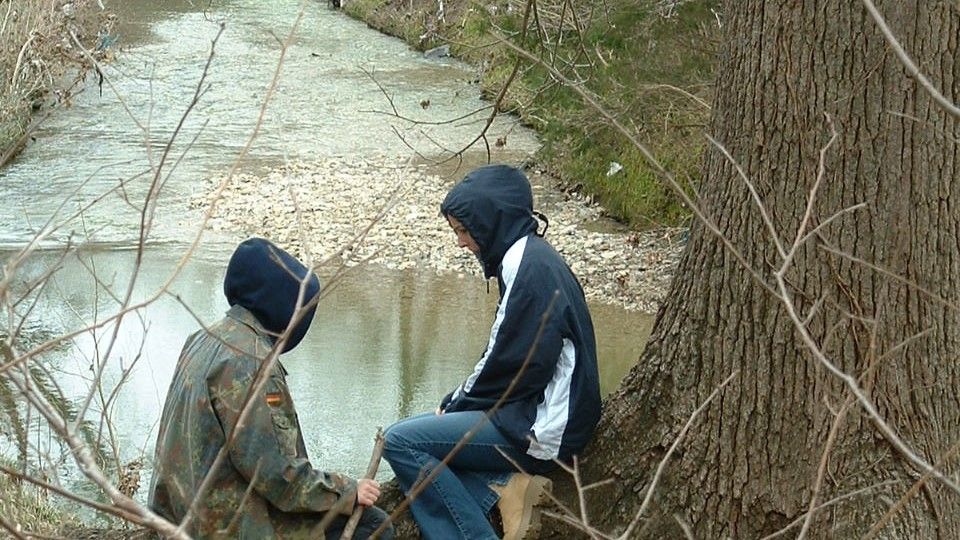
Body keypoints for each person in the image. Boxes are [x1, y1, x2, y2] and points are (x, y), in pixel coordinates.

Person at [383, 165, 601, 540]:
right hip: (545, 416)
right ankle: (506, 488)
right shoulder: (531, 256)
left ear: (490, 222)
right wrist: (460, 403)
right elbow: (509, 354)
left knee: (400, 440)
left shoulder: (528, 269)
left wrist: (455, 403)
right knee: (438, 444)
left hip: (545, 429)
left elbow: (509, 364)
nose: (461, 243)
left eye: (464, 231)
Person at [148, 237, 393, 539]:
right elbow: (277, 475)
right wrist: (346, 491)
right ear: (285, 307)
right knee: (373, 525)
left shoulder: (203, 338)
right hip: (222, 527)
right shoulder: (254, 363)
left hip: (178, 517)